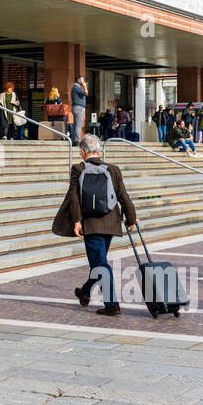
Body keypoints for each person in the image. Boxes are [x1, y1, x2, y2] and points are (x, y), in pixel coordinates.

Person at [52, 133, 138, 317]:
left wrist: (76, 221)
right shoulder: (113, 169)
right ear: (99, 151)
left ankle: (111, 304)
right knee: (98, 262)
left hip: (90, 224)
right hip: (110, 223)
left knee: (100, 264)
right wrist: (131, 218)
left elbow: (74, 198)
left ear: (82, 152)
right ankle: (85, 292)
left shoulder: (78, 169)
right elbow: (124, 196)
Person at [70, 76, 87, 144]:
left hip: (77, 107)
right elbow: (85, 93)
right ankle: (77, 140)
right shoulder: (76, 88)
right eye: (82, 80)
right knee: (78, 125)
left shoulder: (77, 88)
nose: (83, 82)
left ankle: (74, 139)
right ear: (78, 80)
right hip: (78, 107)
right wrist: (85, 86)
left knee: (76, 124)